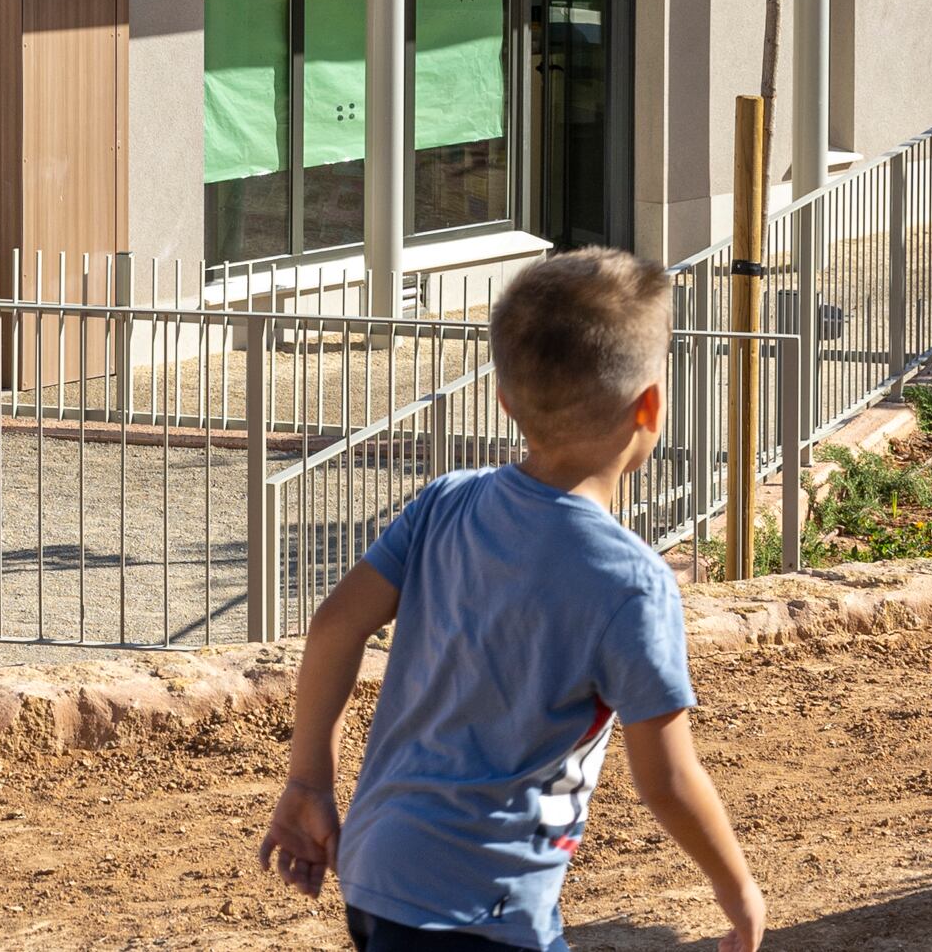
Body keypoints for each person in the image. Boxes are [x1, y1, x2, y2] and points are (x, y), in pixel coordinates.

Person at [262, 247, 766, 952]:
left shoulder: (445, 502)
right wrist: (736, 888)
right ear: (650, 404)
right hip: (481, 909)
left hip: (378, 873)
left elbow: (334, 626)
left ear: (505, 401)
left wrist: (309, 778)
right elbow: (668, 777)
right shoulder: (632, 581)